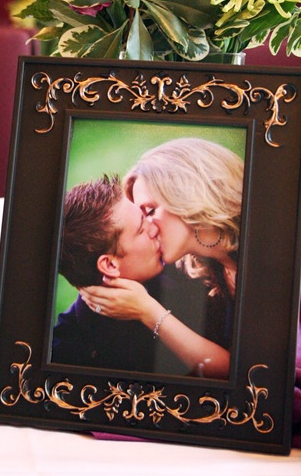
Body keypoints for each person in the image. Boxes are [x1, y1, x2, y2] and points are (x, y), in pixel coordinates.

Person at [52, 173, 231, 378]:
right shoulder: (68, 353)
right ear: (109, 265)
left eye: (146, 215)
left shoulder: (188, 270)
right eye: (140, 229)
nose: (154, 228)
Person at [80, 138, 243, 361]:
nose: (148, 229)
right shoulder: (194, 269)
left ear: (186, 195)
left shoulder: (266, 255)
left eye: (149, 211)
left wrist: (149, 312)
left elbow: (246, 373)